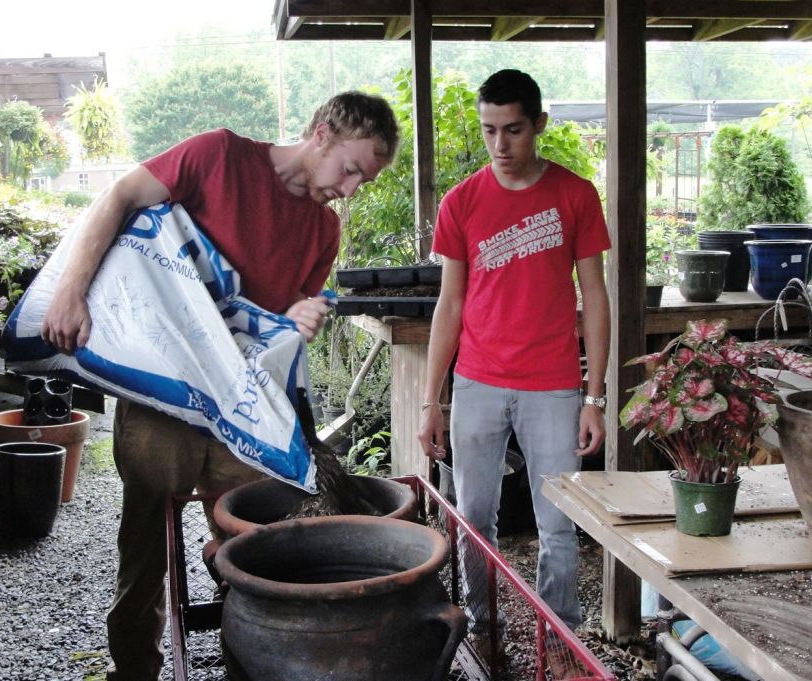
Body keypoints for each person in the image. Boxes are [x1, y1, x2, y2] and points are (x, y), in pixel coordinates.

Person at [41, 92, 400, 681]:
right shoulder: (219, 156)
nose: (352, 188)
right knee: (144, 552)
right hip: (165, 396)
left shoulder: (323, 229)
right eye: (351, 169)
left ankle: (251, 665)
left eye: (364, 179)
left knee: (252, 551)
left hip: (242, 409)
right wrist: (70, 290)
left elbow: (276, 320)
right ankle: (134, 671)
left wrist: (297, 317)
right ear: (321, 133)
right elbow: (120, 196)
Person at [416, 69, 610, 654]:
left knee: (558, 525)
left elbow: (595, 296)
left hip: (553, 385)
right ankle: (483, 626)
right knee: (474, 519)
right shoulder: (462, 201)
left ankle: (561, 640)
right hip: (476, 382)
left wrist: (594, 396)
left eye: (513, 130)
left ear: (539, 124)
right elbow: (450, 303)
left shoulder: (575, 195)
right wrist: (431, 401)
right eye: (489, 130)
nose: (500, 144)